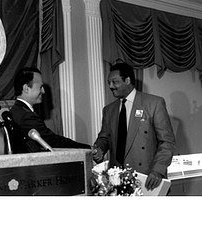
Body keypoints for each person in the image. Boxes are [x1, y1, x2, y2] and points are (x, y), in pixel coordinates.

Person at [93, 62, 176, 191]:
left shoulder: (154, 104)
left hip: (148, 179)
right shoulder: (108, 110)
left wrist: (158, 170)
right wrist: (99, 149)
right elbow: (104, 137)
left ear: (127, 80)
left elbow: (167, 142)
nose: (110, 86)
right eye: (109, 82)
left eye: (115, 82)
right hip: (117, 181)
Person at [10, 67, 91, 152]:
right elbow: (53, 141)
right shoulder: (27, 116)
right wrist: (88, 149)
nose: (43, 91)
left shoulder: (16, 110)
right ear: (26, 88)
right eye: (40, 87)